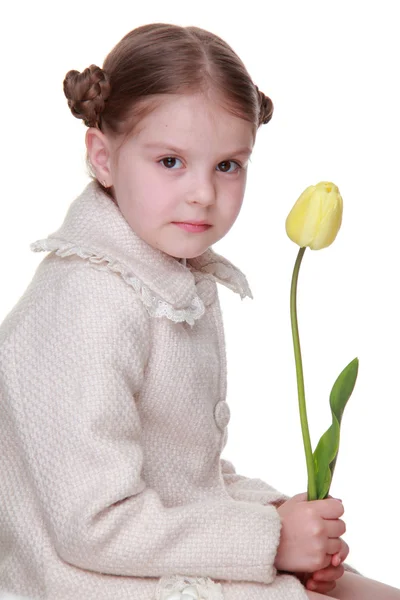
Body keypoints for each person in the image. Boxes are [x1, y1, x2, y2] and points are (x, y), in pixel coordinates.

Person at [0, 22, 398, 600]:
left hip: (148, 551)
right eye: (170, 162)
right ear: (103, 157)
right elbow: (94, 526)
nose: (203, 194)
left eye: (228, 165)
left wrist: (279, 513)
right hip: (82, 578)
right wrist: (269, 539)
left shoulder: (166, 275)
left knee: (361, 588)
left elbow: (185, 476)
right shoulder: (87, 304)